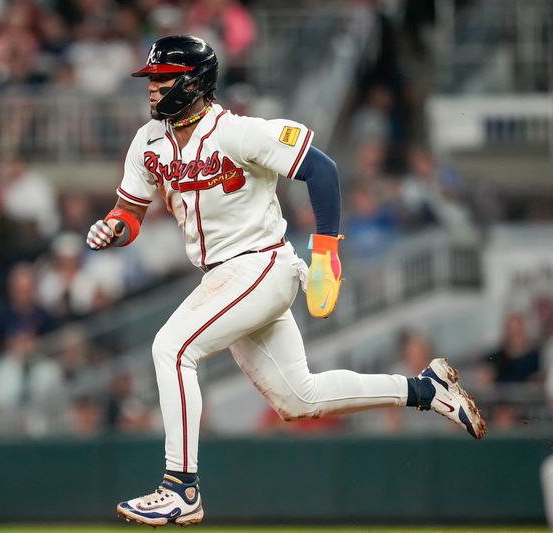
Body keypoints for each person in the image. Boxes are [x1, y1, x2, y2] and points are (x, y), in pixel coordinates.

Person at [86, 35, 487, 528]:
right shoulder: (148, 142)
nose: (152, 89)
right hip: (226, 279)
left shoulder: (236, 133)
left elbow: (322, 169)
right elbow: (130, 210)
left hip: (260, 265)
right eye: (151, 79)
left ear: (192, 82)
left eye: (161, 78)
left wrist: (325, 251)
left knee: (171, 348)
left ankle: (181, 487)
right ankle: (427, 391)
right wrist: (114, 228)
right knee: (299, 399)